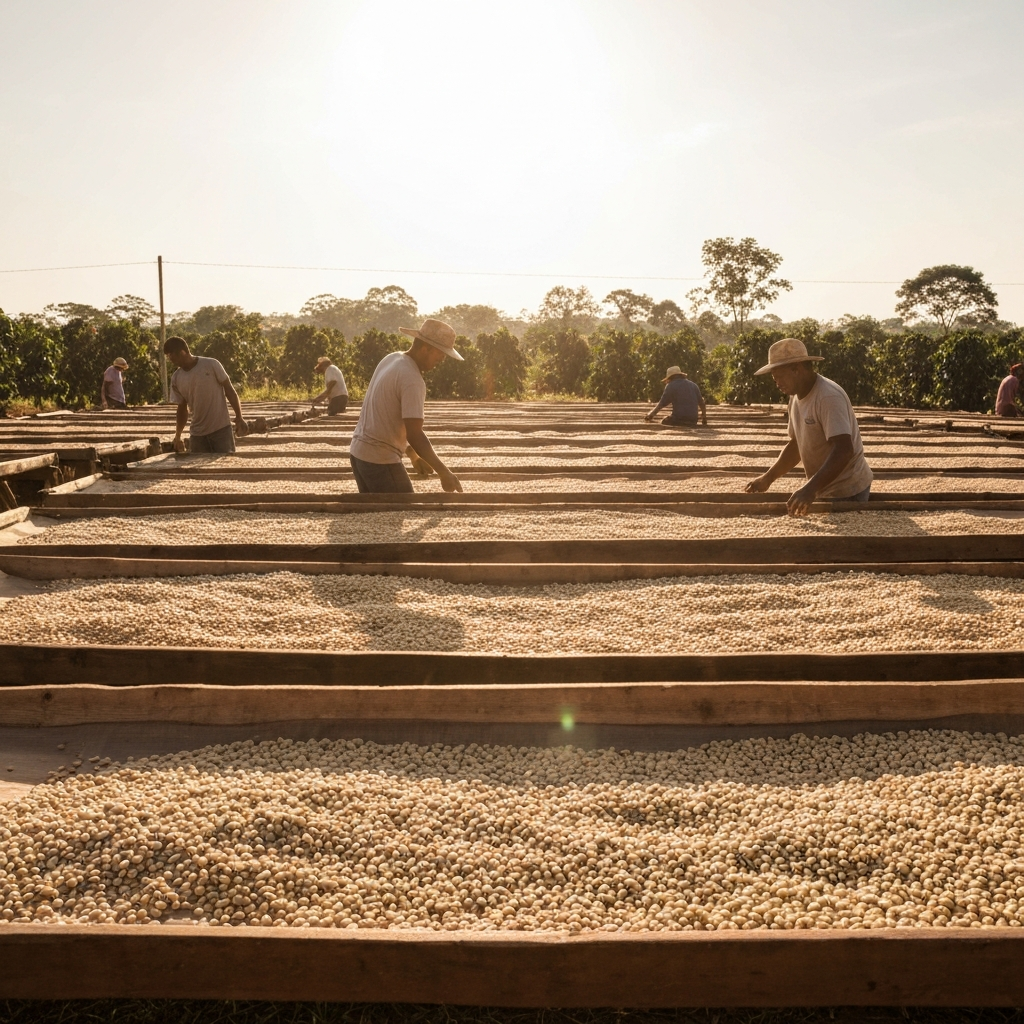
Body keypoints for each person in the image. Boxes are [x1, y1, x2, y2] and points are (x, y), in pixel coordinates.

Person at [744, 337, 872, 515]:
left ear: (796, 369)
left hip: (847, 489)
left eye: (780, 377)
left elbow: (844, 450)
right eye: (775, 379)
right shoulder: (795, 396)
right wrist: (768, 477)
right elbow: (797, 444)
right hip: (824, 487)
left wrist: (809, 489)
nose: (777, 384)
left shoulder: (827, 397)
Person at [349, 318, 463, 494]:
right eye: (439, 356)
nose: (440, 361)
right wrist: (444, 472)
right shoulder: (413, 379)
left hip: (358, 454)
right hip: (379, 460)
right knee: (404, 509)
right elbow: (415, 434)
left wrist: (412, 455)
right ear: (425, 348)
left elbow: (385, 416)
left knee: (379, 516)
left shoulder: (392, 358)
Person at [164, 336, 248, 453]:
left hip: (221, 430)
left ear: (182, 353)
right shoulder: (176, 378)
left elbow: (229, 390)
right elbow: (182, 408)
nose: (171, 360)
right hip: (198, 435)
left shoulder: (211, 364)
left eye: (171, 356)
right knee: (199, 470)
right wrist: (178, 436)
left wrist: (239, 416)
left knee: (225, 465)